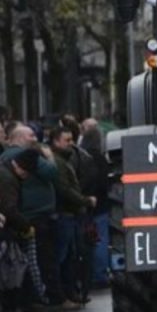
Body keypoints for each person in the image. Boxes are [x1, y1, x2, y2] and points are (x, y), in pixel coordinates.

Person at [1, 125, 68, 309]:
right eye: (30, 135)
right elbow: (53, 173)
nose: (34, 138)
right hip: (32, 218)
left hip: (22, 220)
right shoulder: (14, 172)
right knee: (35, 262)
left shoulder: (7, 162)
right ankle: (39, 299)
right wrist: (25, 226)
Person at [50, 127, 94, 307]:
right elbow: (64, 189)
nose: (71, 143)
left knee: (70, 257)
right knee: (63, 257)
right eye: (66, 140)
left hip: (69, 214)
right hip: (64, 214)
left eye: (71, 140)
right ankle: (61, 296)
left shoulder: (64, 160)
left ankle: (69, 293)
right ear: (56, 141)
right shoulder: (59, 162)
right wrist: (85, 201)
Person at [0, 148, 39, 312]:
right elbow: (10, 209)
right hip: (6, 232)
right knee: (11, 272)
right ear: (21, 168)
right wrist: (26, 226)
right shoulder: (8, 179)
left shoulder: (5, 171)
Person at [78, 122, 108, 289]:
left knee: (84, 241)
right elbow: (103, 183)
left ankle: (85, 275)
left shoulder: (80, 156)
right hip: (100, 205)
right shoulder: (100, 159)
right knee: (100, 240)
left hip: (81, 205)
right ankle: (99, 275)